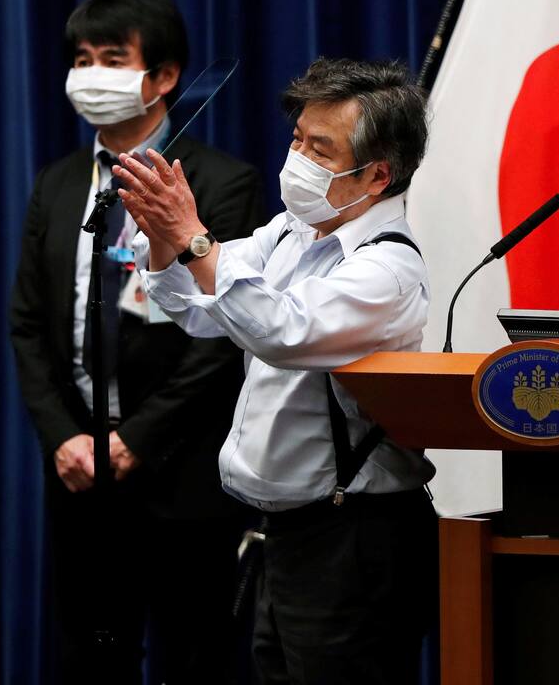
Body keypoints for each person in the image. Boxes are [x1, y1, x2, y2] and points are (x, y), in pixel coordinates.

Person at [116, 57, 438, 684]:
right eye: (297, 138)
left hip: (353, 539)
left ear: (376, 175)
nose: (298, 157)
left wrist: (192, 236)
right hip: (286, 534)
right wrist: (163, 233)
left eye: (320, 148)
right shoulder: (294, 231)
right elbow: (203, 309)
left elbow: (280, 331)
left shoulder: (387, 269)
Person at [9, 0, 263, 683]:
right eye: (82, 57)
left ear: (164, 77)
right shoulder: (56, 185)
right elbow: (28, 323)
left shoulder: (221, 182)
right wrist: (64, 435)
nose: (91, 73)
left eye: (112, 57)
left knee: (195, 655)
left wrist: (138, 438)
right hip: (78, 470)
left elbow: (226, 330)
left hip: (178, 466)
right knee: (89, 653)